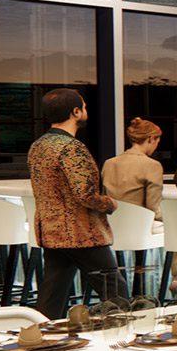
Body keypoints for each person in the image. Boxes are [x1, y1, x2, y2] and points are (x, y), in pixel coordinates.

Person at [27, 88, 121, 317]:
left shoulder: (38, 146)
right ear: (76, 111)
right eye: (84, 107)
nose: (87, 111)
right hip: (80, 233)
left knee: (52, 296)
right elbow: (85, 195)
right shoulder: (72, 148)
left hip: (51, 231)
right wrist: (110, 203)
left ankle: (45, 341)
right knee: (115, 290)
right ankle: (122, 341)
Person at [102, 117, 165, 226]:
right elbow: (153, 209)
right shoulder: (152, 165)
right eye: (157, 142)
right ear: (151, 139)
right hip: (138, 226)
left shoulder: (109, 163)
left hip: (112, 226)